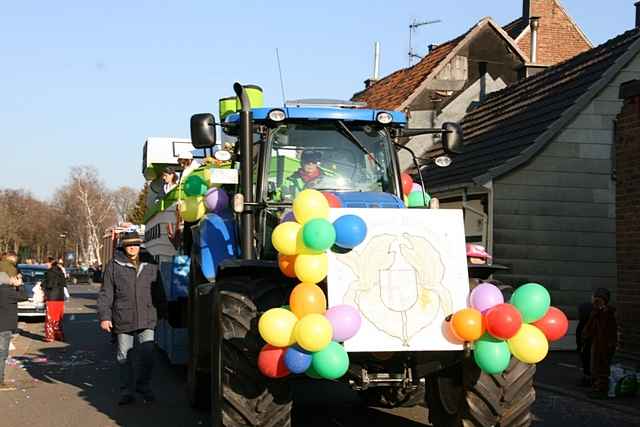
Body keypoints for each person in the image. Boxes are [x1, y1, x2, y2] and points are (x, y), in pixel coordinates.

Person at [97, 232, 167, 405]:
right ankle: (126, 391)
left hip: (147, 315)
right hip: (123, 317)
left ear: (140, 245)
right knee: (123, 356)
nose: (133, 248)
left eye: (135, 244)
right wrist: (105, 317)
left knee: (148, 354)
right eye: (129, 245)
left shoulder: (150, 263)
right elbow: (106, 293)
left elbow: (159, 289)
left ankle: (143, 385)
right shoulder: (113, 265)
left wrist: (163, 311)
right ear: (123, 247)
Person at [582, 288, 617, 399]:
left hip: (604, 344)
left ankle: (600, 389)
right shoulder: (598, 312)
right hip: (598, 342)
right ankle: (597, 386)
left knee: (602, 366)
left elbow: (608, 330)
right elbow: (590, 328)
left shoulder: (606, 313)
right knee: (596, 366)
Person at [0, 262, 27, 391]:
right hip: (3, 327)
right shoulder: (6, 291)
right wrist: (20, 285)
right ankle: (0, 381)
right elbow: (24, 296)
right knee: (2, 355)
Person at [42, 259, 67, 342]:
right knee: (58, 318)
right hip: (60, 298)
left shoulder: (49, 273)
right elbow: (64, 284)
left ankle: (50, 336)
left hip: (51, 298)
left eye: (47, 263)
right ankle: (59, 335)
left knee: (50, 318)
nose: (45, 264)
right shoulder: (61, 272)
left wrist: (42, 287)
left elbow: (47, 285)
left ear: (50, 263)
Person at [576, 300, 594, 387]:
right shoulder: (584, 323)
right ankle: (588, 377)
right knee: (586, 361)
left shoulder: (587, 323)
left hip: (588, 346)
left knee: (587, 361)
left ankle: (588, 378)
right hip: (585, 346)